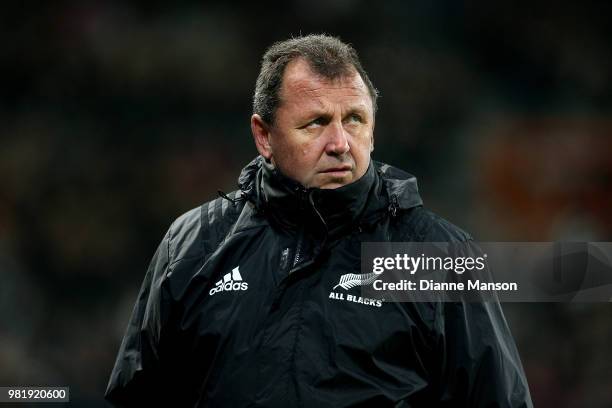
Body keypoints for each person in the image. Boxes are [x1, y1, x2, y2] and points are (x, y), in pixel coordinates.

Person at [105, 34, 533, 407]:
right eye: (316, 123)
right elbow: (142, 395)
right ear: (264, 136)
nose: (340, 143)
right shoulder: (195, 242)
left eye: (354, 119)